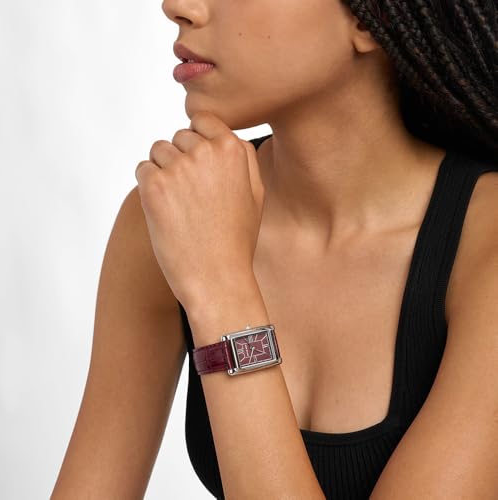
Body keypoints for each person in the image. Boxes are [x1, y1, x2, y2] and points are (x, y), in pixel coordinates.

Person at [51, 1, 498, 499]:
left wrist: (222, 293)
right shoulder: (177, 214)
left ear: (370, 18)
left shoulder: (486, 241)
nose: (177, 7)